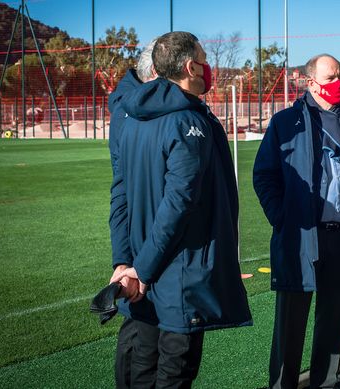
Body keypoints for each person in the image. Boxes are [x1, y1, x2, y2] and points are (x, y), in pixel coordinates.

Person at [109, 31, 252, 388]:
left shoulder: (132, 119)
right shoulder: (187, 122)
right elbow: (179, 204)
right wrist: (140, 269)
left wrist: (125, 262)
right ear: (190, 66)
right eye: (205, 59)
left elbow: (120, 195)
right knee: (174, 374)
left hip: (146, 274)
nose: (209, 67)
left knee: (142, 369)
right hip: (177, 278)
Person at [253, 54, 340, 389]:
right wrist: (283, 219)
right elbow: (264, 175)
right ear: (310, 83)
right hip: (303, 238)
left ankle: (324, 384)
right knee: (290, 327)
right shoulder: (287, 122)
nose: (338, 83)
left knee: (333, 326)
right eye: (330, 78)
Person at [106, 38, 161, 389]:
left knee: (143, 331)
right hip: (147, 244)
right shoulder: (131, 112)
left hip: (147, 244)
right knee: (144, 334)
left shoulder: (135, 106)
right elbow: (123, 191)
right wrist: (125, 260)